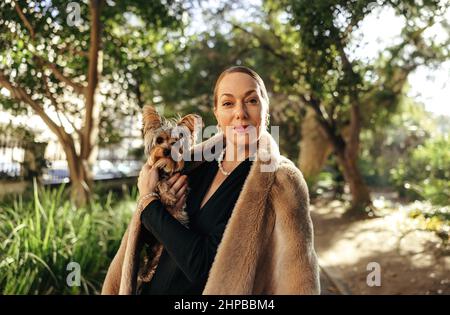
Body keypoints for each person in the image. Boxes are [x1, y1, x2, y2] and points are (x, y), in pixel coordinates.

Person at [101, 66, 320, 295]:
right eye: (228, 103)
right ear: (216, 112)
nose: (240, 113)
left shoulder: (281, 182)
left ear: (266, 109)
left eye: (251, 100)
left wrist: (149, 203)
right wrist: (157, 207)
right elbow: (145, 239)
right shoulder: (194, 164)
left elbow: (204, 267)